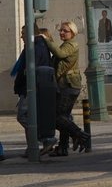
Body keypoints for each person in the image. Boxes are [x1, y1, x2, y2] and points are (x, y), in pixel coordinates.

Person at [44, 21, 90, 155]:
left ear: (73, 32)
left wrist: (46, 40)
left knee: (57, 117)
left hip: (69, 86)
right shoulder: (66, 44)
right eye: (61, 30)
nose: (62, 33)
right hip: (65, 85)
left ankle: (80, 135)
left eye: (65, 31)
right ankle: (63, 148)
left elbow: (60, 54)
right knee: (63, 117)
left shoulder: (72, 44)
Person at [11, 24, 57, 155]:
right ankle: (32, 147)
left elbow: (31, 69)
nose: (21, 36)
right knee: (29, 115)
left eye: (23, 33)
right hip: (29, 87)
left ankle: (45, 138)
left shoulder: (36, 47)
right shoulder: (33, 46)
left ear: (30, 34)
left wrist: (25, 76)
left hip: (31, 88)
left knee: (24, 116)